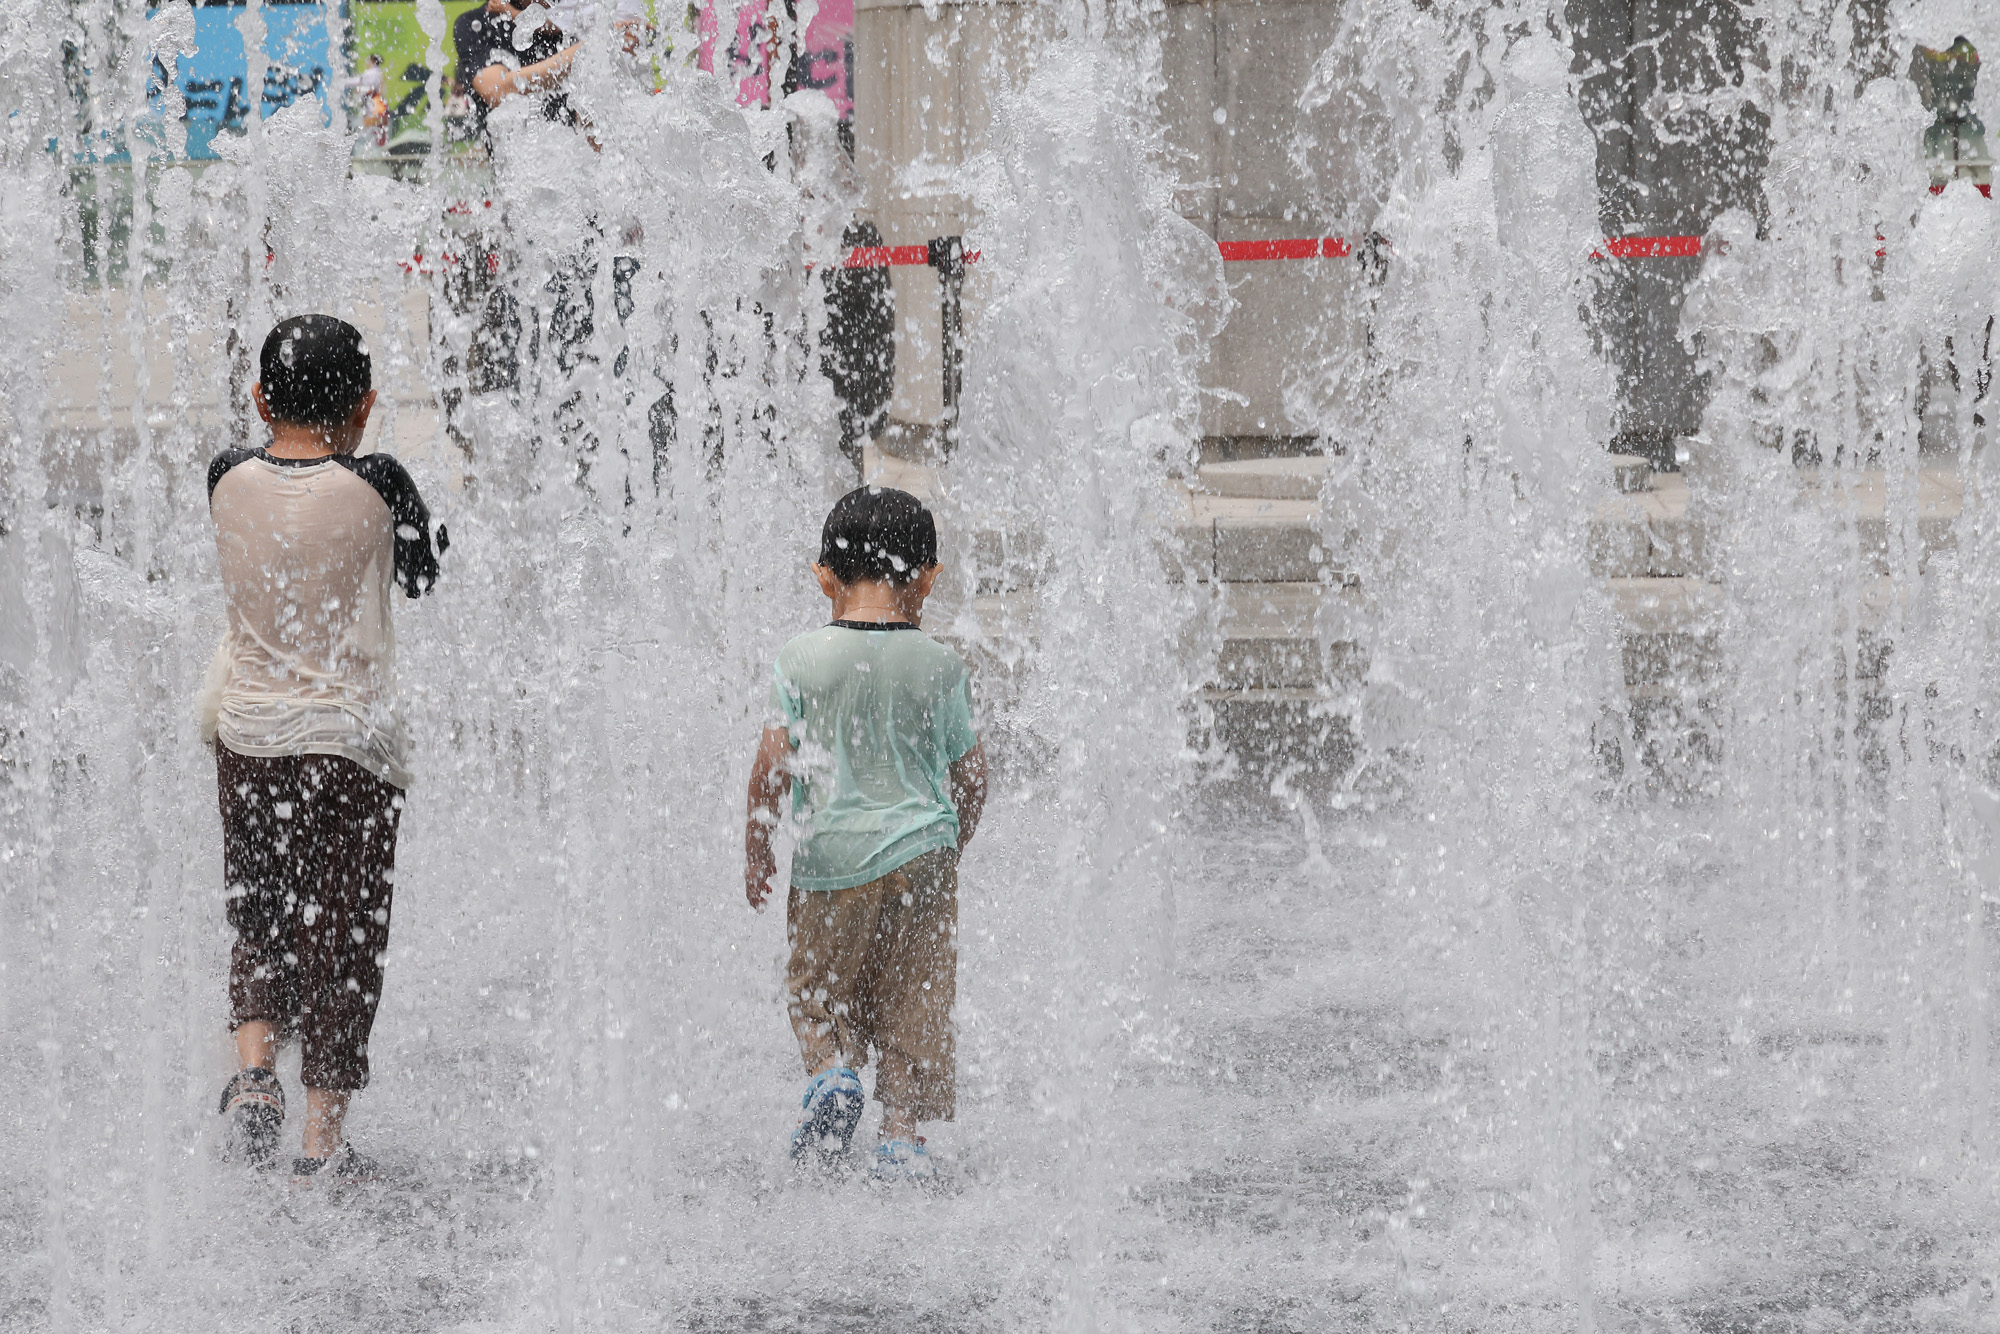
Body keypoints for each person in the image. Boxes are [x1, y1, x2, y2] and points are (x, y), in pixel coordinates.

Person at [205, 316, 445, 1182]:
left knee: (259, 905)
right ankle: (321, 1142)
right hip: (348, 748)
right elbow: (420, 575)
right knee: (341, 935)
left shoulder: (223, 475)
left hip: (247, 736)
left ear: (261, 398)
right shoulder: (380, 479)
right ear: (369, 405)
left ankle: (257, 1070)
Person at [744, 486, 988, 1184]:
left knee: (818, 987)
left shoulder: (800, 658)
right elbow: (971, 776)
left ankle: (831, 1075)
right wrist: (952, 842)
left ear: (824, 576)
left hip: (830, 861)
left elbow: (770, 766)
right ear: (929, 580)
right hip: (926, 854)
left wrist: (758, 846)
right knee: (915, 999)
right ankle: (902, 1138)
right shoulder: (941, 665)